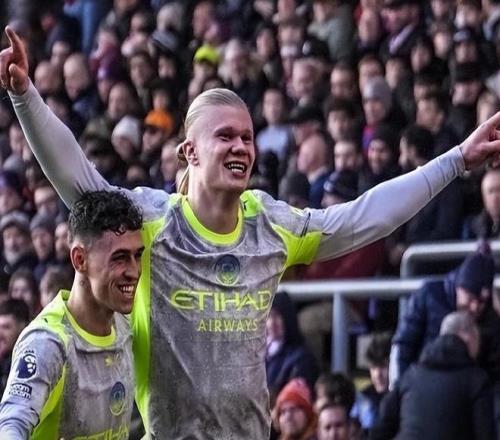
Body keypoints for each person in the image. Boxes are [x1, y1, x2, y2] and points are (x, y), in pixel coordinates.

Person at [4, 26, 500, 439]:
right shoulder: (150, 223)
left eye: (247, 137)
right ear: (190, 152)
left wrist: (456, 160)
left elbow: (362, 217)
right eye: (225, 136)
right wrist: (25, 96)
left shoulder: (272, 225)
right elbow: (80, 182)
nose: (241, 146)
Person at [0, 190, 144, 439]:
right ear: (80, 259)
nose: (133, 271)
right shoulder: (48, 343)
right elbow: (11, 423)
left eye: (137, 256)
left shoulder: (124, 325)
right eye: (119, 258)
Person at [373, 311, 495, 440]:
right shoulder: (476, 380)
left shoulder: (410, 375)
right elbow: (485, 433)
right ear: (468, 338)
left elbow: (382, 425)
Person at [390, 250, 495, 382]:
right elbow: (403, 344)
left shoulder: (490, 316)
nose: (474, 307)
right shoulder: (429, 295)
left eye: (481, 301)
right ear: (458, 287)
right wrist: (399, 386)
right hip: (421, 382)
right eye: (470, 298)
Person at [0, 299, 29, 396]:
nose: (0, 334)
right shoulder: (3, 359)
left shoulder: (28, 361)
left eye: (6, 327)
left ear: (22, 328)